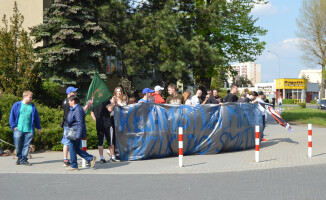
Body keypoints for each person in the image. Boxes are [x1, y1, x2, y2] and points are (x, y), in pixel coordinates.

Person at [60, 86, 92, 167]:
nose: (76, 93)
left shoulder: (75, 107)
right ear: (69, 94)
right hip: (71, 128)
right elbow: (77, 117)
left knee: (73, 147)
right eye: (74, 92)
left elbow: (79, 119)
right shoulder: (68, 103)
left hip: (74, 129)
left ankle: (74, 164)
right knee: (71, 146)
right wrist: (87, 105)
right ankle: (89, 159)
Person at [9, 91, 41, 166]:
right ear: (24, 96)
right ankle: (19, 158)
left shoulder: (32, 106)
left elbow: (36, 117)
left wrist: (38, 127)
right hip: (18, 129)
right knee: (18, 145)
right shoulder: (17, 105)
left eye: (31, 97)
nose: (31, 99)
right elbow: (12, 116)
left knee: (26, 145)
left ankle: (24, 159)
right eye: (30, 97)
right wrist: (13, 126)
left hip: (29, 130)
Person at [66, 95, 96, 170]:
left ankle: (74, 165)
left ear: (73, 101)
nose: (68, 102)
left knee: (72, 148)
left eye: (69, 101)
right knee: (76, 149)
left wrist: (78, 135)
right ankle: (91, 158)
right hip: (73, 131)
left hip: (75, 132)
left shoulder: (78, 109)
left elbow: (80, 123)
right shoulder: (74, 108)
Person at [91, 99, 119, 163]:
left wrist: (96, 120)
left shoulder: (95, 101)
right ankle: (112, 156)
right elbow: (110, 109)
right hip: (107, 123)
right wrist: (112, 103)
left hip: (99, 123)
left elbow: (92, 113)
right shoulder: (105, 100)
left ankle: (101, 157)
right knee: (110, 140)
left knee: (100, 141)